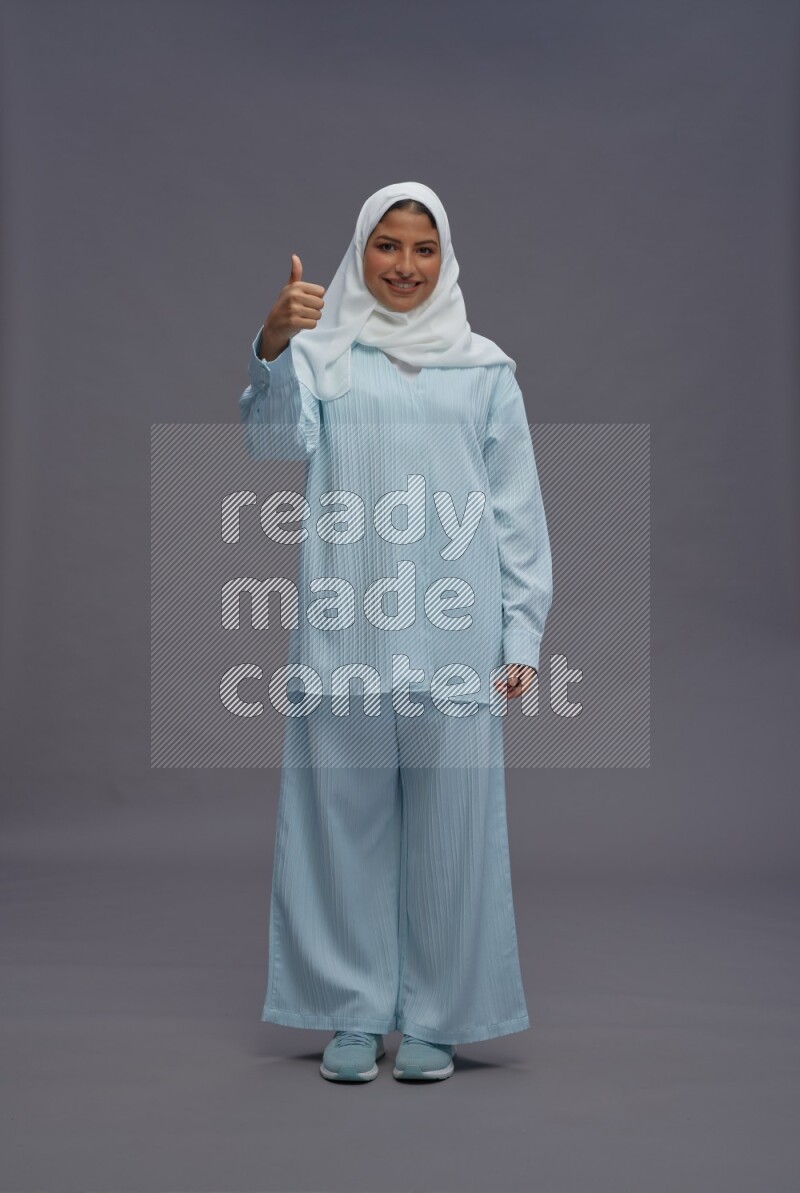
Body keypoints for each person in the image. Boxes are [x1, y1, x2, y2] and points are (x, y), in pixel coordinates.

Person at [238, 181, 553, 1082]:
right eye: (386, 246)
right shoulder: (323, 356)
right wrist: (272, 344)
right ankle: (350, 1007)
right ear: (359, 254)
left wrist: (521, 635)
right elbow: (270, 448)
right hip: (349, 628)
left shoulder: (485, 369)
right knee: (339, 822)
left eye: (422, 248)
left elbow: (516, 511)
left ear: (444, 258)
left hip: (456, 641)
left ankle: (441, 1016)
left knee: (457, 830)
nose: (404, 265)